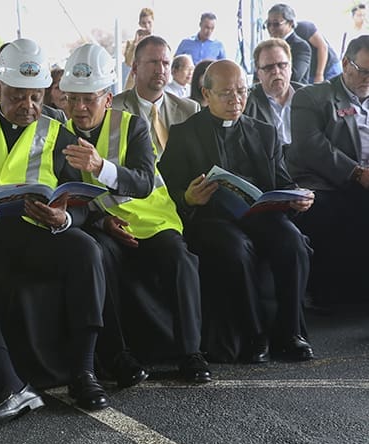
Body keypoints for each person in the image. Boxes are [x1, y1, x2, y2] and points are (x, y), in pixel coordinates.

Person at [0, 38, 111, 425]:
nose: (28, 107)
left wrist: (62, 219)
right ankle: (12, 385)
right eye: (18, 96)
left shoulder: (58, 130)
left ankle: (84, 372)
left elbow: (79, 203)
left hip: (35, 233)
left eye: (35, 97)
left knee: (86, 251)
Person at [60, 43, 211, 382]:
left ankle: (191, 352)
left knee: (179, 258)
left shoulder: (133, 126)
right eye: (72, 98)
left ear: (108, 98)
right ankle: (119, 355)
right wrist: (103, 222)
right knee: (98, 259)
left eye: (89, 99)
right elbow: (69, 193)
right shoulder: (59, 134)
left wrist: (101, 167)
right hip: (106, 225)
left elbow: (143, 182)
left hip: (154, 220)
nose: (79, 108)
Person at [158, 60, 315, 363]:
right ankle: (255, 333)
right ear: (206, 94)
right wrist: (189, 198)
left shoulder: (265, 132)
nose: (236, 101)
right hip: (210, 219)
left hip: (259, 215)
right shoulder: (184, 134)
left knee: (293, 242)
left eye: (242, 92)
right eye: (227, 94)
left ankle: (291, 332)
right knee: (237, 249)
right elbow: (168, 191)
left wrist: (297, 198)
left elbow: (282, 182)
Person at [287, 35, 369, 306]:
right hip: (326, 182)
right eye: (364, 71)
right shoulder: (312, 97)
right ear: (346, 63)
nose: (368, 79)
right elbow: (311, 147)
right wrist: (357, 173)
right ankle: (331, 296)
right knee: (337, 209)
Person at [113, 36, 200, 158]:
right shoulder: (113, 109)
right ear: (134, 68)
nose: (160, 70)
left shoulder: (189, 110)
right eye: (153, 62)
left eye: (166, 63)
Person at [244, 38, 303, 146]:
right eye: (268, 67)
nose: (276, 71)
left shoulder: (309, 97)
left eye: (282, 65)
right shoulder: (247, 103)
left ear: (290, 67)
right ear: (259, 73)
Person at [265, 4, 312, 84]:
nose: (271, 28)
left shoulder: (301, 46)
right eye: (268, 24)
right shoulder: (266, 47)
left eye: (276, 24)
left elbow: (294, 76)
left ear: (290, 23)